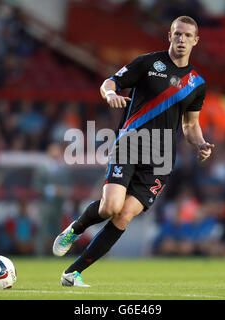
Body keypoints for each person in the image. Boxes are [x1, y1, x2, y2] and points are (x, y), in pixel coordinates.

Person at [53, 16, 214, 287]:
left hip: (161, 158)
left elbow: (190, 124)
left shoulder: (197, 84)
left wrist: (200, 143)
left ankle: (73, 273)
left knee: (124, 214)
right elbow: (110, 82)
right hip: (130, 142)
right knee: (111, 207)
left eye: (188, 36)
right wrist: (110, 95)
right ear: (170, 35)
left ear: (196, 40)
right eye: (177, 34)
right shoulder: (148, 63)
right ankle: (74, 229)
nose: (182, 40)